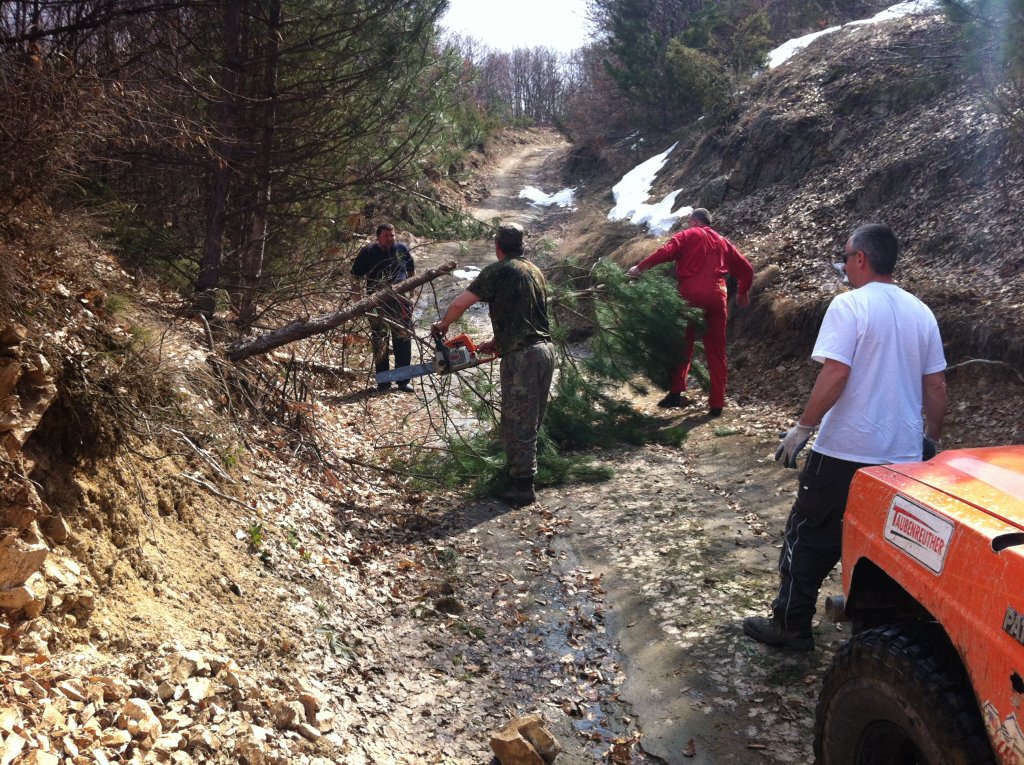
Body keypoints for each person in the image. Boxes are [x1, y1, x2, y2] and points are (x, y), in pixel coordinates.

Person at [743, 223, 947, 651]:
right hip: (903, 457)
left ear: (861, 259)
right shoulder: (921, 313)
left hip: (845, 450)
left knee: (810, 533)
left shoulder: (849, 306)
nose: (843, 265)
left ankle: (790, 625)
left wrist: (803, 427)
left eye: (846, 256)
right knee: (885, 547)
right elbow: (936, 386)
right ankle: (878, 638)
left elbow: (836, 371)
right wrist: (931, 439)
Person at [431, 223, 554, 506]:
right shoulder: (535, 271)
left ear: (498, 245)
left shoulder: (499, 270)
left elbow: (462, 303)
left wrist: (442, 325)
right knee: (532, 418)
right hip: (545, 351)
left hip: (523, 357)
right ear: (521, 245)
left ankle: (522, 487)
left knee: (518, 420)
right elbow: (530, 316)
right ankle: (524, 476)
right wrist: (497, 343)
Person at [627, 208, 753, 417]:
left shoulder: (688, 235)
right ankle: (717, 405)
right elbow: (746, 269)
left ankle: (675, 394)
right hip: (717, 297)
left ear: (695, 220)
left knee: (682, 345)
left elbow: (665, 252)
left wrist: (639, 268)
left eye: (689, 222)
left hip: (691, 296)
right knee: (717, 350)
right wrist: (742, 293)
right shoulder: (723, 242)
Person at [352, 223, 415, 392]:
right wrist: (358, 301)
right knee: (380, 340)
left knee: (403, 338)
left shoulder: (401, 249)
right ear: (378, 237)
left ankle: (403, 381)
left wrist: (411, 294)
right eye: (386, 235)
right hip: (376, 302)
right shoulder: (368, 252)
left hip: (401, 301)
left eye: (392, 235)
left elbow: (411, 271)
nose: (390, 239)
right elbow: (355, 277)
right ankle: (384, 381)